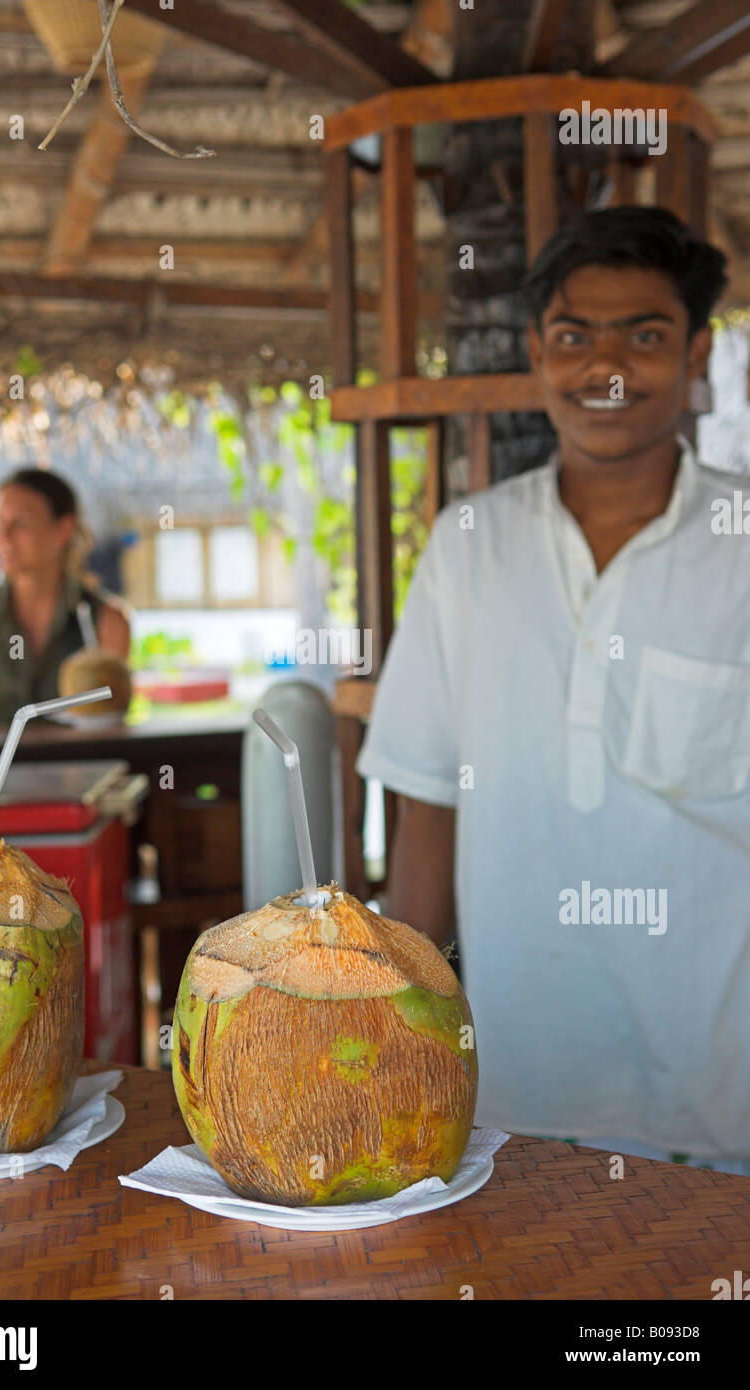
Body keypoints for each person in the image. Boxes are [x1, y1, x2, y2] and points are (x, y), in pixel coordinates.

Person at [357, 206, 750, 1174]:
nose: (605, 367)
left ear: (697, 353)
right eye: (575, 336)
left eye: (645, 336)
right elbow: (428, 802)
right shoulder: (468, 545)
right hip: (516, 1093)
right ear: (538, 351)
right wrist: (405, 1039)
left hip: (723, 1096)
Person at [0, 468, 130, 728]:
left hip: (77, 768)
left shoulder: (106, 621)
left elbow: (108, 728)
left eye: (20, 524)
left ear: (63, 530)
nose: (2, 537)